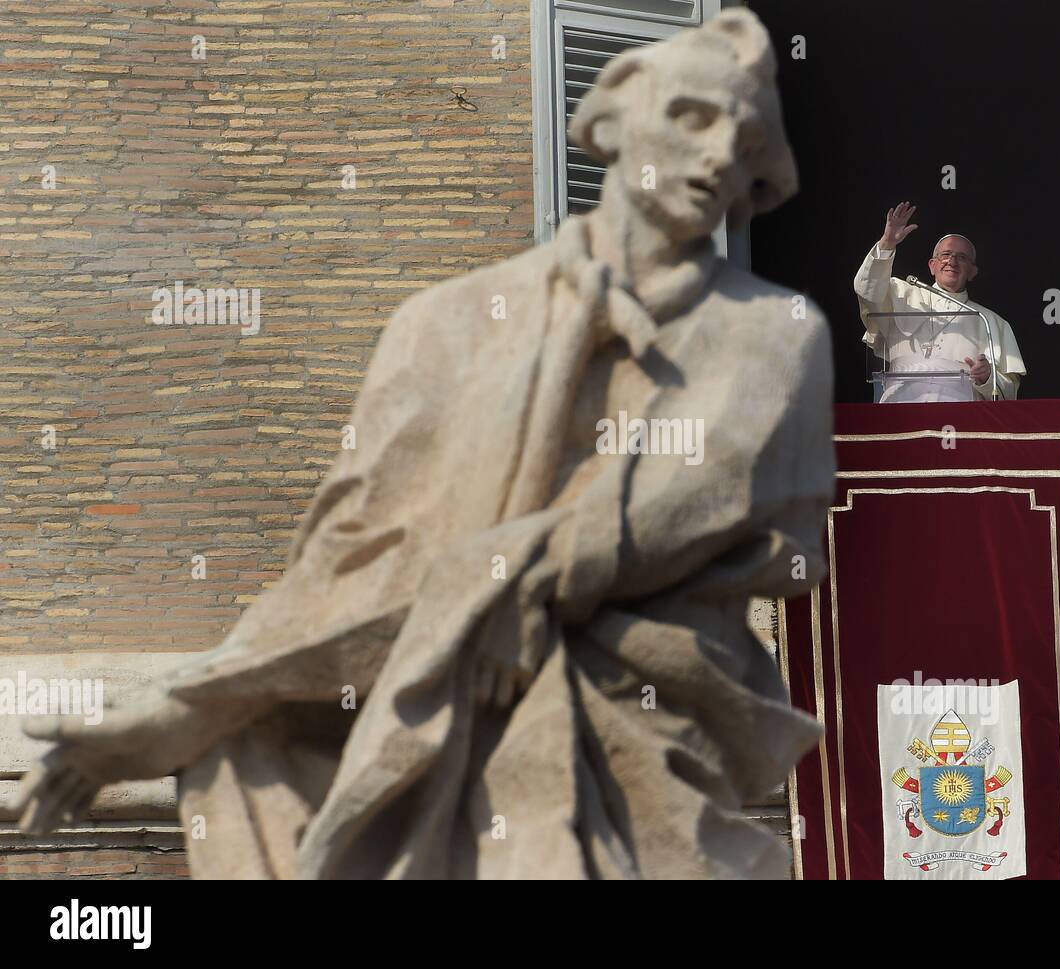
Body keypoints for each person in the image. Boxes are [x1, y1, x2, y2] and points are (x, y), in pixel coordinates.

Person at [10, 9, 835, 879]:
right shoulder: (442, 326)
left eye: (745, 143)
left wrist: (513, 582)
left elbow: (684, 509)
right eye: (693, 117)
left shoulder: (773, 338)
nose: (717, 157)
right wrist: (201, 697)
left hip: (640, 734)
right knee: (253, 755)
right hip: (415, 703)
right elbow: (342, 561)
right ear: (614, 115)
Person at [854, 202, 1025, 400]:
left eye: (962, 257)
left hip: (960, 421)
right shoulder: (899, 294)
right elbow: (866, 290)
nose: (952, 261)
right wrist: (887, 243)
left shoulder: (991, 322)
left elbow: (1010, 392)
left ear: (972, 272)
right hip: (900, 411)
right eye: (945, 255)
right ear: (932, 265)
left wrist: (987, 377)